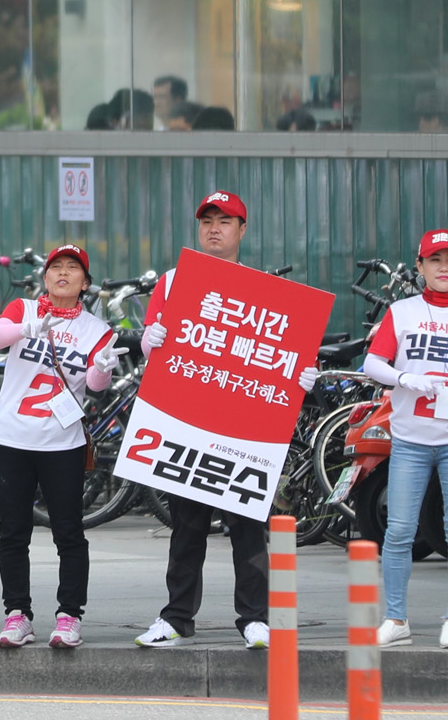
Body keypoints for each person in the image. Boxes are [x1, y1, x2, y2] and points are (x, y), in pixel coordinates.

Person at [136, 191, 318, 649]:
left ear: (242, 229)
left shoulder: (263, 289)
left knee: (247, 528)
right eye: (207, 220)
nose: (214, 227)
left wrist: (301, 374)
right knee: (186, 527)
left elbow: (279, 354)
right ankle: (176, 617)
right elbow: (152, 344)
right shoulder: (175, 281)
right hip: (187, 421)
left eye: (225, 220)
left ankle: (255, 619)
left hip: (242, 428)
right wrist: (149, 339)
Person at [361, 228, 448, 649]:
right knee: (399, 530)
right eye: (435, 260)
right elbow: (373, 362)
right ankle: (395, 617)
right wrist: (405, 377)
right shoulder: (401, 312)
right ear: (420, 266)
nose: (444, 267)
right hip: (409, 438)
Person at [0, 244, 119, 648]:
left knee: (69, 532)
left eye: (72, 268)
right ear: (44, 277)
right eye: (55, 267)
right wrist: (28, 329)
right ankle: (17, 614)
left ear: (85, 283)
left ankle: (69, 615)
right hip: (12, 437)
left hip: (62, 443)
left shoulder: (98, 330)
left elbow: (95, 388)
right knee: (13, 531)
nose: (63, 273)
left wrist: (101, 368)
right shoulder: (23, 309)